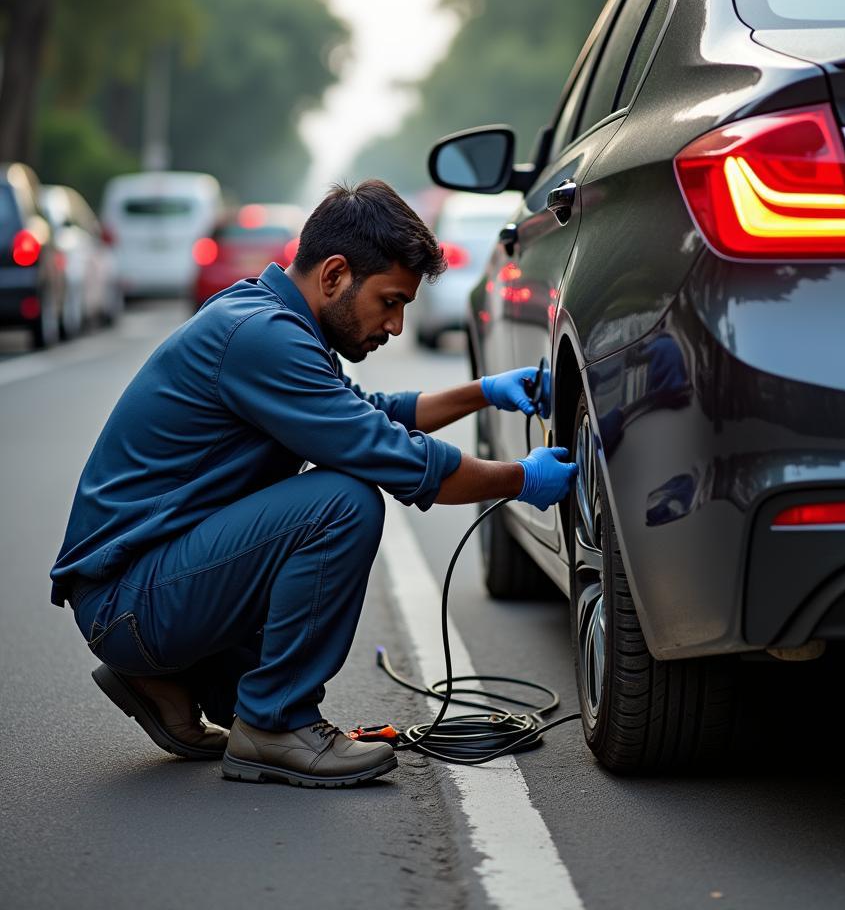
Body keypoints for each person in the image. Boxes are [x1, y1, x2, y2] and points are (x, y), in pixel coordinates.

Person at [50, 180, 577, 789]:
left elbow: (369, 412)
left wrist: (481, 392)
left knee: (329, 492)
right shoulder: (263, 338)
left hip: (141, 586)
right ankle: (274, 725)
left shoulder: (276, 323)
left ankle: (173, 682)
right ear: (334, 276)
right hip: (130, 602)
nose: (398, 325)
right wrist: (522, 479)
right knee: (342, 502)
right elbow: (391, 454)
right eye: (390, 301)